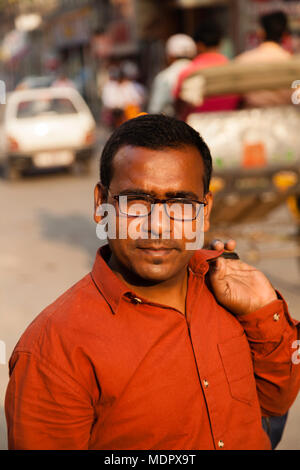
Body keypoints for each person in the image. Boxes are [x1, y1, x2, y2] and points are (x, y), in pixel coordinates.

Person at [5, 114, 300, 450]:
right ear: (102, 204)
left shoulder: (230, 290)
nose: (158, 226)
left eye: (181, 204)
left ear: (205, 210)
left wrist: (263, 312)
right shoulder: (55, 348)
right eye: (136, 202)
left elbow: (276, 402)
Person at [173, 20, 240, 119]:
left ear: (198, 45)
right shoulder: (234, 69)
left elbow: (178, 105)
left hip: (195, 129)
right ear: (220, 43)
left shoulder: (188, 72)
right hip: (230, 127)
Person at [235, 11, 292, 107]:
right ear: (285, 34)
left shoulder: (242, 61)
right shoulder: (291, 63)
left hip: (250, 118)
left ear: (261, 32)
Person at [148, 34, 197, 116]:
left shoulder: (164, 77)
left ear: (170, 56)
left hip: (175, 126)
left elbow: (155, 110)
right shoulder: (200, 71)